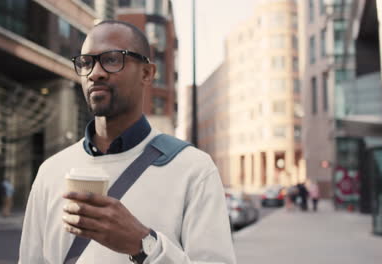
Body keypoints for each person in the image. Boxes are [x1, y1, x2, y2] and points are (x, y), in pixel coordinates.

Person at [18, 20, 235, 264]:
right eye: (86, 62)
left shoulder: (195, 170)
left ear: (147, 73)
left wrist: (143, 244)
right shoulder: (51, 171)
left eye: (111, 59)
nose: (95, 72)